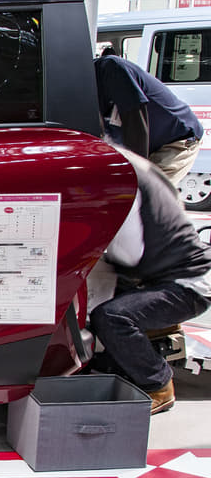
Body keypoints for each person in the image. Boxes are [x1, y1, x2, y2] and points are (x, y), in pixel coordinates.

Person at [88, 148, 211, 414]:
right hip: (174, 273)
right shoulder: (135, 165)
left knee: (112, 317)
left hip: (186, 285)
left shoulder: (124, 182)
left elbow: (129, 255)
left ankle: (158, 384)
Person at [94, 54, 203, 187]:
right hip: (147, 144)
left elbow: (135, 124)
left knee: (148, 194)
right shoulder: (80, 90)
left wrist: (137, 178)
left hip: (176, 141)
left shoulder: (111, 69)